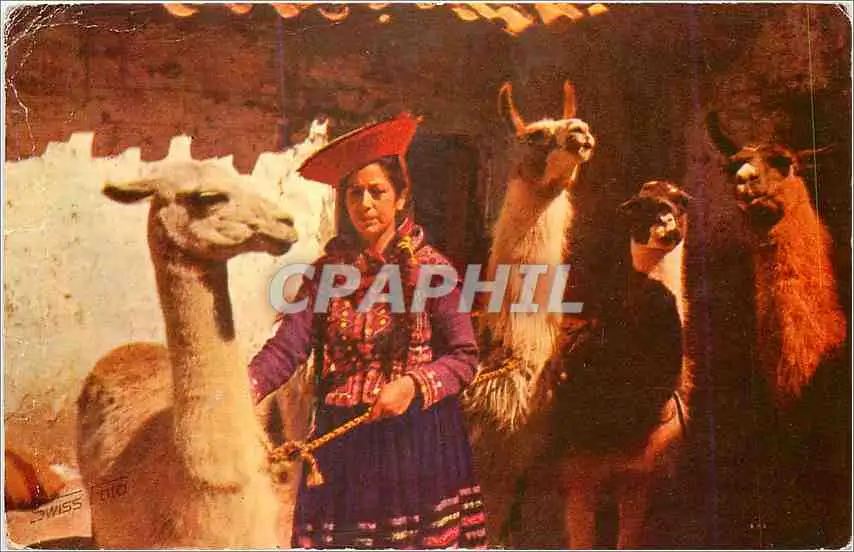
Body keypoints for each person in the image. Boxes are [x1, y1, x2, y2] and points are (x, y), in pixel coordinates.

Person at [248, 113, 487, 549]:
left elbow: (464, 357)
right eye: (354, 193)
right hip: (343, 442)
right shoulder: (326, 274)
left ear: (401, 197)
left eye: (377, 192)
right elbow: (287, 348)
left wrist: (413, 385)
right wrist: (242, 390)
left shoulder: (433, 271)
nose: (365, 204)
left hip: (416, 442)